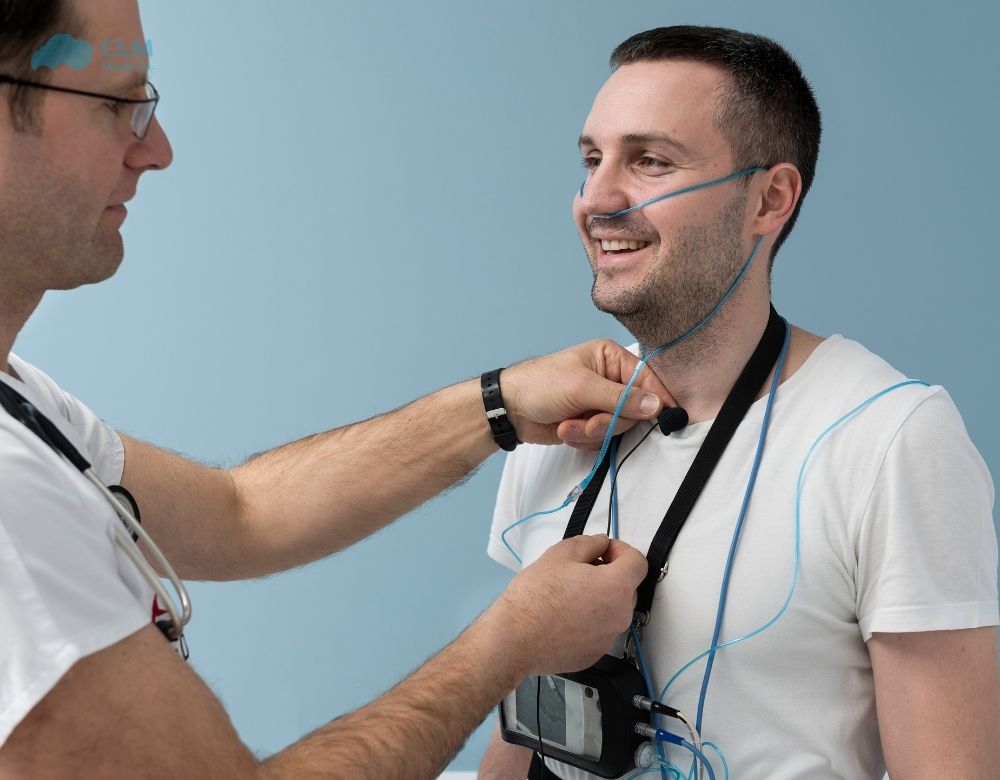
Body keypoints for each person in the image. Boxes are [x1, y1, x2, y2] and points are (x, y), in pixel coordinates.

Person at [0, 2, 688, 778]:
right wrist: (508, 645)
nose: (156, 150)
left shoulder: (23, 411)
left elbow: (241, 514)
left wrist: (497, 403)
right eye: (120, 106)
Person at [480, 25, 999, 780]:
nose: (597, 198)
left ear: (770, 199)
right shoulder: (556, 417)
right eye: (592, 160)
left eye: (649, 160)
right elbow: (525, 730)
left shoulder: (890, 441)